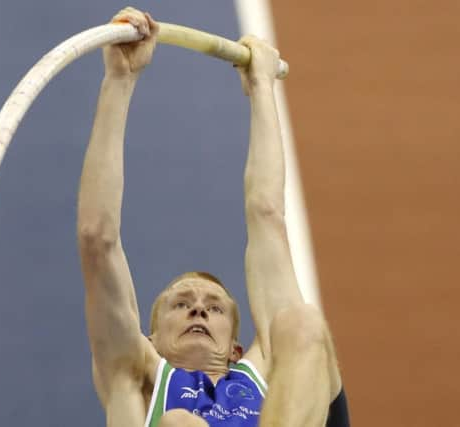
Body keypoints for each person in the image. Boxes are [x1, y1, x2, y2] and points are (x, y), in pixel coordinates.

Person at [76, 7, 350, 427]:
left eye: (215, 309)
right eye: (181, 304)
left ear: (237, 350)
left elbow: (268, 214)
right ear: (151, 342)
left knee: (301, 322)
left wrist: (261, 86)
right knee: (180, 423)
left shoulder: (261, 373)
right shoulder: (134, 378)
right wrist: (120, 79)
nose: (199, 312)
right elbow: (97, 239)